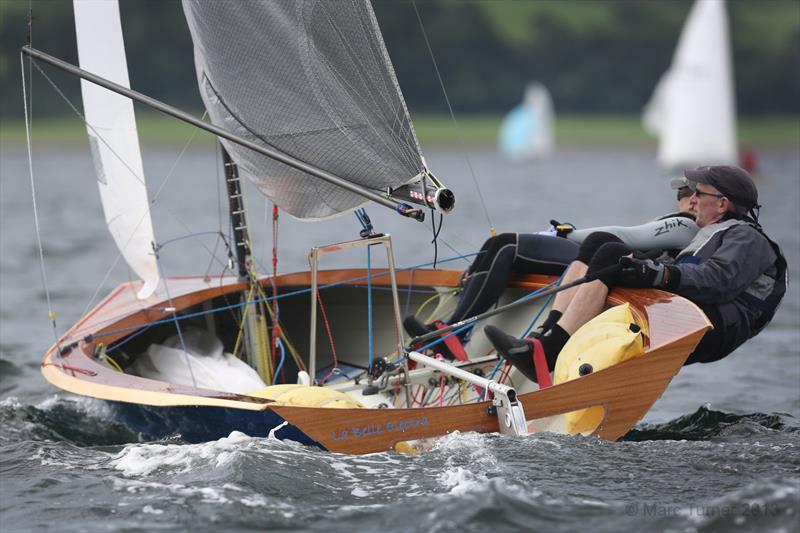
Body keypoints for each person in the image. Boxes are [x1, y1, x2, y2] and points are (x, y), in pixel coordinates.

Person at [486, 165, 787, 382]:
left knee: (611, 253)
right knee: (600, 244)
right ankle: (546, 338)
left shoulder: (747, 238)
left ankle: (548, 352)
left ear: (722, 204)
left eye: (700, 193)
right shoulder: (711, 233)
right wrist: (648, 266)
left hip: (711, 327)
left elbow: (716, 282)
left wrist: (657, 274)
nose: (692, 199)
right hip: (689, 309)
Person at [404, 178, 699, 358]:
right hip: (597, 252)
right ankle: (450, 329)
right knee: (499, 243)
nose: (684, 197)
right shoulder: (674, 219)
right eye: (683, 192)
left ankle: (455, 333)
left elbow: (627, 235)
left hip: (596, 257)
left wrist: (567, 234)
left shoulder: (685, 224)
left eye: (687, 191)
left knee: (507, 246)